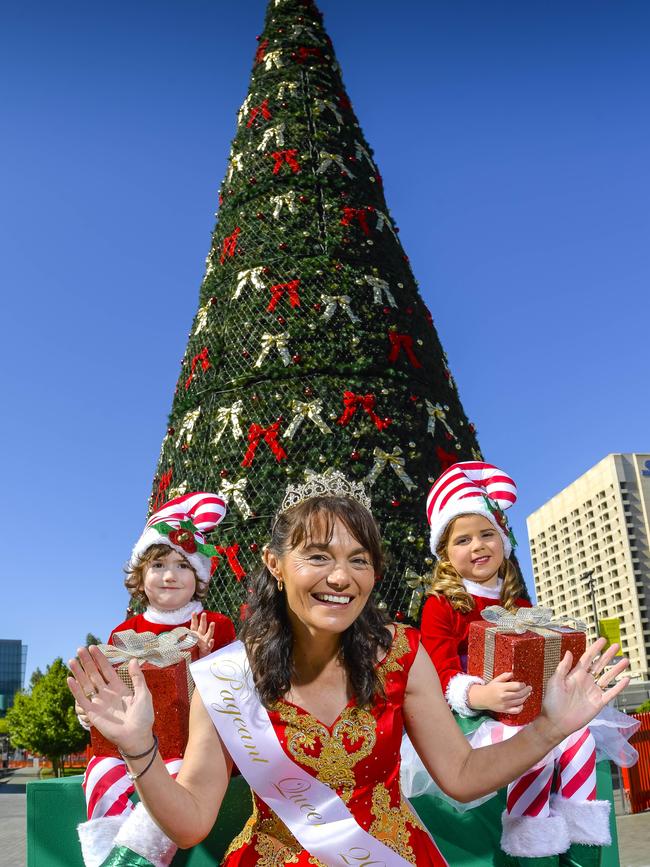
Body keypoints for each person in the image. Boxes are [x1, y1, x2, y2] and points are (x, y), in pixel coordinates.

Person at [69, 470, 630, 867]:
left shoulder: (402, 656)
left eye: (358, 560)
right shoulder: (224, 676)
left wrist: (552, 727)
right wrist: (140, 748)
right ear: (275, 564)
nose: (341, 577)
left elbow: (460, 778)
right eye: (318, 556)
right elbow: (190, 822)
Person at [412, 461, 639, 864]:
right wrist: (481, 694)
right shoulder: (441, 606)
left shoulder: (519, 603)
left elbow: (544, 653)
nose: (478, 546)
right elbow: (440, 672)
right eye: (463, 540)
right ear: (444, 552)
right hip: (475, 718)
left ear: (503, 541)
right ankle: (530, 839)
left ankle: (582, 840)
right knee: (529, 753)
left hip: (531, 708)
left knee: (581, 739)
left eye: (487, 534)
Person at [77, 491, 236, 867]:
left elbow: (234, 697)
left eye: (183, 566)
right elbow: (108, 688)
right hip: (127, 748)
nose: (169, 575)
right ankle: (104, 860)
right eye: (158, 565)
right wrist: (89, 711)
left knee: (176, 778)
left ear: (198, 576)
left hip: (192, 752)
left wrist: (206, 658)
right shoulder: (123, 631)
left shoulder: (218, 625)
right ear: (140, 576)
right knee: (100, 773)